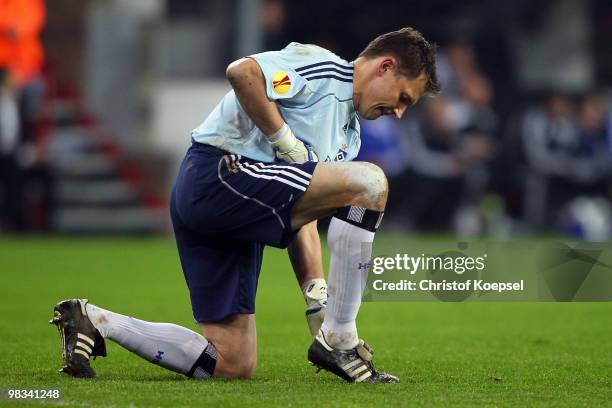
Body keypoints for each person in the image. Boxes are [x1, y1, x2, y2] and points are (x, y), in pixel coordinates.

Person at [50, 27, 439, 383]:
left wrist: (315, 294)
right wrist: (285, 140)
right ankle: (341, 337)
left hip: (234, 207)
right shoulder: (321, 70)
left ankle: (95, 320)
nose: (401, 111)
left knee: (232, 363)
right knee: (369, 182)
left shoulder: (348, 135)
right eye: (403, 97)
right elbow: (242, 73)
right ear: (385, 67)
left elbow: (302, 209)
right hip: (220, 175)